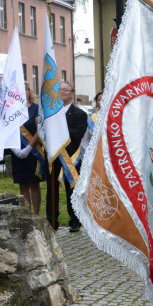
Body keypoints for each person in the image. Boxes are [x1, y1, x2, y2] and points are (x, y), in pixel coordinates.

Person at [45, 81, 88, 232]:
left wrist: (62, 125)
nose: (62, 91)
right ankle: (52, 221)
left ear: (72, 93)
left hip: (71, 157)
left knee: (72, 190)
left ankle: (75, 221)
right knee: (52, 189)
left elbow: (78, 134)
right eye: (59, 89)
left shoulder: (80, 114)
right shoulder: (51, 113)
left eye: (65, 89)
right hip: (54, 156)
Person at [11, 82, 44, 214]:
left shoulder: (36, 108)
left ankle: (36, 215)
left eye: (25, 89)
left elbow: (39, 130)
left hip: (33, 152)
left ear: (30, 91)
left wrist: (28, 148)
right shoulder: (12, 109)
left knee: (33, 184)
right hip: (16, 152)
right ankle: (26, 214)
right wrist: (15, 150)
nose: (23, 91)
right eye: (19, 89)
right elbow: (8, 130)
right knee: (22, 184)